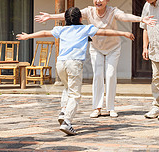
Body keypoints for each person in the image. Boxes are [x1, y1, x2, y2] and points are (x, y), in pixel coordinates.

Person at [35, 0, 155, 119]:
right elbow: (70, 14)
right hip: (96, 48)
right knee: (98, 75)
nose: (98, 1)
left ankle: (110, 108)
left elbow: (125, 16)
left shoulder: (113, 11)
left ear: (107, 0)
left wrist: (141, 19)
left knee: (110, 75)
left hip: (113, 48)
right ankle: (97, 108)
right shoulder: (88, 11)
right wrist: (50, 16)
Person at [19, 7, 134, 135]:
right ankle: (67, 121)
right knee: (75, 94)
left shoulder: (61, 29)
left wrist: (28, 36)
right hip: (74, 63)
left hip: (60, 63)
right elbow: (105, 32)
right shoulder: (85, 28)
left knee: (68, 88)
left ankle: (63, 111)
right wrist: (123, 33)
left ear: (65, 19)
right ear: (80, 18)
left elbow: (45, 33)